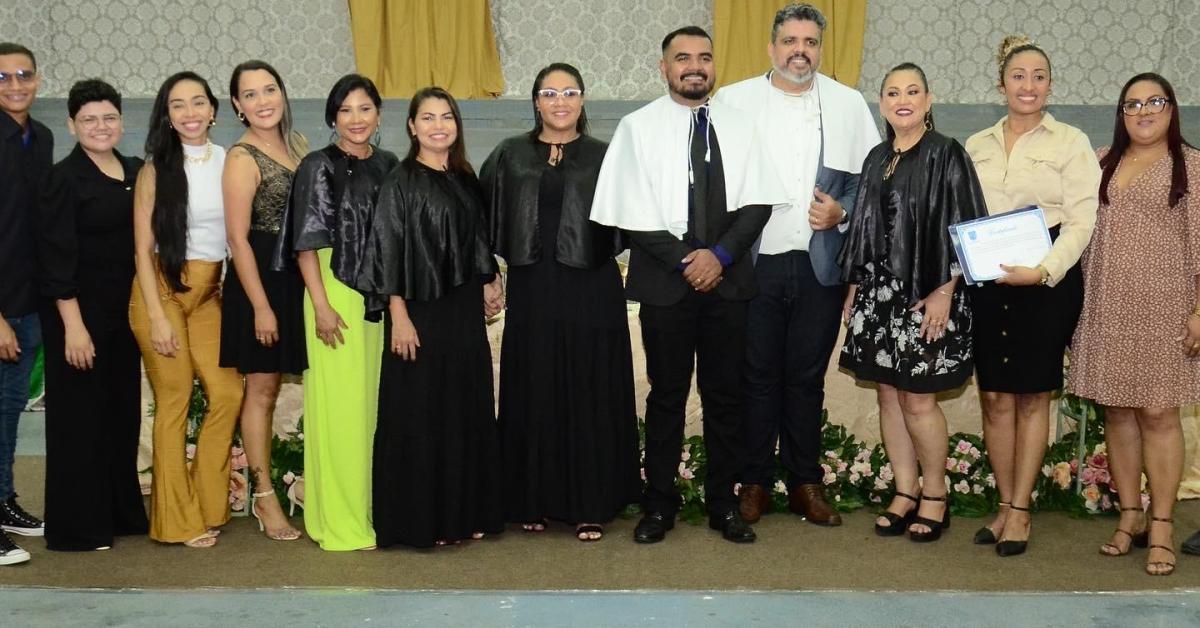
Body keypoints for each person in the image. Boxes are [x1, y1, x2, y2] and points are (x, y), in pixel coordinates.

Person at [591, 26, 783, 544]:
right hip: (665, 286)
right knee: (667, 397)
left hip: (730, 282)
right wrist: (685, 260)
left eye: (703, 57)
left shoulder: (742, 125)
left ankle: (723, 505)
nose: (693, 66)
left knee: (725, 397)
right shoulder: (638, 127)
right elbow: (631, 213)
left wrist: (718, 256)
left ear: (713, 65)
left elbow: (760, 202)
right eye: (682, 58)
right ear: (664, 67)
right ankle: (659, 506)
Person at [713, 2, 879, 527]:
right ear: (771, 47)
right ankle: (755, 482)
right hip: (754, 263)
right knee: (756, 375)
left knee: (806, 377)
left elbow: (871, 185)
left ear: (820, 50)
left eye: (809, 43)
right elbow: (713, 184)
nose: (799, 52)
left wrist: (843, 212)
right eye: (790, 41)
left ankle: (807, 483)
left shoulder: (847, 103)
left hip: (819, 264)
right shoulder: (733, 101)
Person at [480, 63, 639, 542]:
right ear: (535, 101)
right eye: (550, 92)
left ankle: (591, 502)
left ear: (583, 100)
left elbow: (632, 218)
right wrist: (487, 274)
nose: (560, 100)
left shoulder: (604, 155)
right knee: (535, 387)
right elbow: (477, 217)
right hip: (533, 287)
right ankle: (532, 499)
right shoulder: (510, 154)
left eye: (570, 91)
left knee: (590, 388)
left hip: (592, 287)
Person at [838, 63, 988, 542]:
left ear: (928, 99)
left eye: (912, 91)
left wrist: (946, 289)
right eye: (892, 92)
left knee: (919, 399)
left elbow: (967, 225)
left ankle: (935, 496)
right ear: (881, 103)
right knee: (887, 392)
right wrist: (854, 289)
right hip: (878, 296)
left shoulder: (947, 153)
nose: (902, 99)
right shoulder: (876, 157)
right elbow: (862, 228)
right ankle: (904, 491)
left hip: (928, 295)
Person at [964, 36, 1100, 557]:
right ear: (1002, 85)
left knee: (1031, 396)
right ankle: (1003, 504)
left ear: (1050, 85)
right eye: (1018, 76)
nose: (1028, 84)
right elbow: (962, 216)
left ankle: (1021, 510)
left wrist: (1043, 271)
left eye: (1039, 75)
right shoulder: (976, 143)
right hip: (987, 282)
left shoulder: (1070, 142)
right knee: (995, 396)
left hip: (1045, 283)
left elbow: (1083, 219)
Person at [356, 86, 505, 549]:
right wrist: (397, 314)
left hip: (462, 313)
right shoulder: (399, 182)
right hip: (419, 312)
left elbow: (478, 239)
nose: (438, 125)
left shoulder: (464, 177)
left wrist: (490, 279)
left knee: (465, 408)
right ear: (411, 126)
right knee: (421, 415)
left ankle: (466, 512)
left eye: (447, 117)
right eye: (428, 117)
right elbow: (386, 252)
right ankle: (425, 520)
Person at [1068, 73, 1199, 576]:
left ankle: (1163, 523)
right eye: (1131, 104)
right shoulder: (1101, 160)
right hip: (1104, 305)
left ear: (1172, 108)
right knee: (1118, 415)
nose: (1142, 111)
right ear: (1120, 113)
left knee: (1160, 415)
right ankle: (1130, 516)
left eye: (1154, 101)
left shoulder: (1191, 166)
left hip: (1166, 309)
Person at [274, 74, 399, 551]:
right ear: (332, 118)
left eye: (365, 108)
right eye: (346, 110)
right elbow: (305, 243)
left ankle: (363, 509)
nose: (356, 119)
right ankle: (342, 522)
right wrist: (321, 306)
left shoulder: (388, 164)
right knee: (342, 410)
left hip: (378, 297)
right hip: (334, 293)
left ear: (379, 115)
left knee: (370, 410)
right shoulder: (317, 166)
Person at [129, 71, 245, 548]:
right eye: (179, 105)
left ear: (214, 110)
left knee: (227, 393)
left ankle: (209, 502)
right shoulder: (156, 168)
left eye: (199, 102)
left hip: (210, 293)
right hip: (160, 290)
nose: (191, 112)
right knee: (175, 401)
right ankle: (176, 520)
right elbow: (141, 250)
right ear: (168, 116)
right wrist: (157, 315)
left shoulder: (230, 161)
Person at [37, 79, 149, 551]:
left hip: (124, 313)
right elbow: (55, 258)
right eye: (88, 119)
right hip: (77, 315)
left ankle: (120, 513)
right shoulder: (62, 178)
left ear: (121, 122)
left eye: (108, 118)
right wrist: (74, 327)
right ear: (71, 125)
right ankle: (78, 527)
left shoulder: (136, 170)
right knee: (79, 420)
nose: (100, 127)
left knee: (120, 414)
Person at [219, 60, 307, 541]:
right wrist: (261, 307)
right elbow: (237, 238)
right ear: (237, 105)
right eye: (249, 94)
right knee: (263, 391)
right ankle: (264, 495)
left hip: (297, 280)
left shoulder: (297, 147)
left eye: (269, 89)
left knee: (277, 388)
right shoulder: (241, 157)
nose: (262, 100)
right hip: (261, 286)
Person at [0, 42, 51, 565]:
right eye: (3, 77)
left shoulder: (41, 138)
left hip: (29, 301)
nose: (15, 85)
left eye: (24, 74)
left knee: (9, 411)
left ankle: (3, 500)